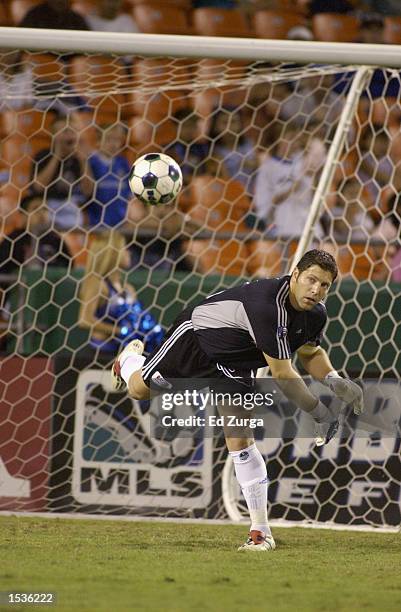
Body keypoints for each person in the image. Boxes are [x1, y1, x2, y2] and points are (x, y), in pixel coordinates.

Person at [109, 249, 363, 551]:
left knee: (240, 439)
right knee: (139, 390)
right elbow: (282, 374)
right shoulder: (269, 307)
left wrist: (335, 380)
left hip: (236, 362)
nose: (316, 290)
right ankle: (127, 362)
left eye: (324, 285)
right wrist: (321, 413)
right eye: (311, 280)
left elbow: (310, 353)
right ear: (295, 275)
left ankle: (260, 532)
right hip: (199, 338)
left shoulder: (316, 313)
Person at [78, 231, 163, 356]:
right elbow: (84, 320)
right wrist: (119, 331)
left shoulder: (128, 288)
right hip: (101, 352)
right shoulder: (98, 284)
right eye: (124, 248)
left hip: (124, 354)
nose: (129, 252)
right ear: (112, 253)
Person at [31, 115, 93, 231]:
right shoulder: (43, 155)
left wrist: (83, 160)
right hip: (46, 207)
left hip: (71, 207)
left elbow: (88, 191)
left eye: (73, 131)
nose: (69, 136)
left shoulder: (79, 159)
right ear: (53, 135)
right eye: (64, 131)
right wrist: (57, 156)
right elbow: (38, 187)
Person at [85, 123, 131, 231]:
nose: (113, 144)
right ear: (98, 141)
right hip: (96, 225)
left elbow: (130, 195)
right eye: (109, 139)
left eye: (117, 140)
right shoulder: (91, 162)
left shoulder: (123, 163)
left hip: (120, 225)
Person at [18, 0, 89, 30]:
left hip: (69, 59)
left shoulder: (76, 18)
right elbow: (25, 53)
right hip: (39, 58)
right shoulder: (34, 15)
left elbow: (88, 49)